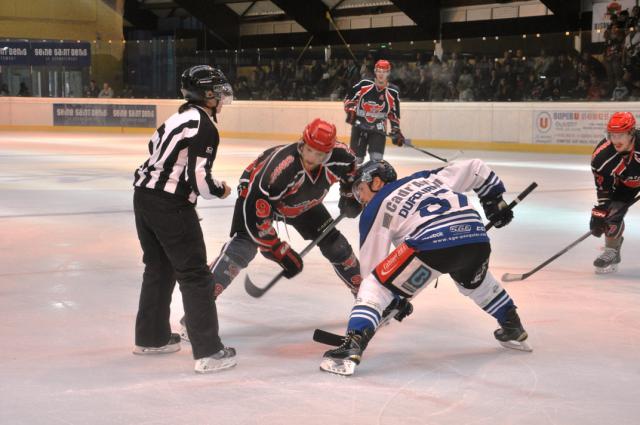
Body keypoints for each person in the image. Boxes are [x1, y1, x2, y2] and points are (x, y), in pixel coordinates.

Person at [319, 159, 531, 376]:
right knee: (476, 283)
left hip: (429, 243)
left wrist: (392, 299)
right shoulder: (426, 178)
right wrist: (493, 200)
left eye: (360, 190)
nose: (360, 198)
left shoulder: (375, 207)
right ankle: (512, 324)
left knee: (375, 284)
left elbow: (373, 270)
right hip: (476, 236)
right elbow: (475, 167)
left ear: (377, 182)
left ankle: (352, 345)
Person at [180, 119, 363, 339]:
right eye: (309, 150)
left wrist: (351, 196)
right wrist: (277, 249)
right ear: (302, 143)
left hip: (303, 203)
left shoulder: (342, 157)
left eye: (320, 154)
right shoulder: (280, 169)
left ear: (330, 151)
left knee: (337, 247)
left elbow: (352, 176)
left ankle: (367, 301)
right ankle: (195, 315)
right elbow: (257, 217)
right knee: (241, 251)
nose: (312, 159)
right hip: (256, 200)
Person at [132, 65, 237, 373]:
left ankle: (150, 338)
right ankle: (209, 352)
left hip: (143, 198)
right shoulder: (204, 126)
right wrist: (220, 190)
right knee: (195, 275)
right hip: (171, 205)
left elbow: (153, 150)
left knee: (158, 267)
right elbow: (200, 180)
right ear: (206, 94)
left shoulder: (176, 117)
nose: (221, 98)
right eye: (217, 92)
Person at [590, 112, 640, 273]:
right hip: (624, 185)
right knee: (611, 216)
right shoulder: (602, 157)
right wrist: (602, 213)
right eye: (612, 135)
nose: (616, 140)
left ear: (631, 133)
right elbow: (604, 187)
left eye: (620, 135)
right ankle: (612, 250)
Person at [344, 59, 404, 165]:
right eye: (379, 71)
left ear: (388, 73)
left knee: (376, 161)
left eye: (384, 71)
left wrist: (396, 130)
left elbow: (393, 114)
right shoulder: (364, 84)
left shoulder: (393, 91)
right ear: (375, 71)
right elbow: (349, 98)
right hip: (359, 127)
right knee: (355, 160)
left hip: (378, 130)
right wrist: (351, 111)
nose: (381, 74)